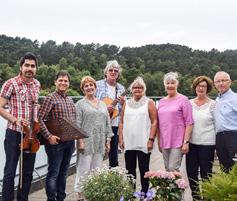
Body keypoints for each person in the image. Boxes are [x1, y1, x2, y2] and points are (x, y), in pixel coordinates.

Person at [0, 52, 40, 201]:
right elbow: (0, 107)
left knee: (28, 172)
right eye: (27, 65)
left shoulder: (37, 84)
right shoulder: (11, 83)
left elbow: (34, 107)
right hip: (14, 133)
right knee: (10, 171)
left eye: (33, 66)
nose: (30, 68)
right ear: (21, 67)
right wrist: (15, 119)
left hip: (31, 135)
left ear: (36, 68)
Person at [74, 76, 113, 201]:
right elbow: (77, 124)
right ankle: (81, 196)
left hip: (100, 141)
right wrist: (79, 141)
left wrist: (108, 140)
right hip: (86, 142)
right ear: (83, 89)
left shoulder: (102, 104)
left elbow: (107, 123)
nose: (89, 87)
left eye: (91, 85)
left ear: (95, 87)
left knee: (96, 170)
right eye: (86, 86)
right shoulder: (80, 104)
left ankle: (92, 195)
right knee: (83, 170)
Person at [38, 71, 76, 201]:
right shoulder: (50, 98)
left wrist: (75, 140)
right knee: (53, 173)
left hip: (69, 142)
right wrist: (49, 136)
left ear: (69, 84)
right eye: (60, 80)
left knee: (64, 173)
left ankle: (61, 198)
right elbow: (40, 118)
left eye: (65, 81)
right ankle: (51, 199)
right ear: (55, 82)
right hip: (55, 143)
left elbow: (73, 123)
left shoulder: (70, 100)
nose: (63, 83)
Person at [119, 77, 157, 194]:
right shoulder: (126, 103)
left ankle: (144, 193)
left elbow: (154, 121)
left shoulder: (149, 102)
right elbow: (121, 121)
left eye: (140, 87)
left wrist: (151, 139)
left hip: (144, 141)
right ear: (131, 89)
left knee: (144, 169)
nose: (137, 89)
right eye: (135, 87)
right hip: (129, 142)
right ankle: (131, 193)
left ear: (144, 89)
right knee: (130, 170)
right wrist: (121, 138)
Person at [186, 76, 216, 200]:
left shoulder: (213, 104)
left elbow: (217, 124)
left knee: (206, 174)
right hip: (192, 144)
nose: (201, 88)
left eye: (203, 86)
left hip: (207, 144)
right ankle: (196, 198)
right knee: (191, 173)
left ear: (207, 88)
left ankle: (207, 198)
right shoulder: (189, 103)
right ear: (195, 87)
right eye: (198, 85)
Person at [157, 72, 193, 172]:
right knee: (167, 169)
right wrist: (158, 141)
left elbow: (189, 122)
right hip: (164, 141)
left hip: (178, 141)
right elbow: (159, 124)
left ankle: (179, 187)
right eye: (167, 83)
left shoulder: (184, 100)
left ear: (177, 84)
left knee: (173, 168)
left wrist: (186, 142)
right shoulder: (161, 102)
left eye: (172, 83)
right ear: (165, 85)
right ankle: (172, 188)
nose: (170, 85)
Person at [95, 60, 125, 167]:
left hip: (115, 124)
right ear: (106, 72)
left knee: (113, 155)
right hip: (100, 124)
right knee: (98, 153)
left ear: (118, 74)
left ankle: (113, 175)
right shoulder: (97, 85)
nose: (113, 72)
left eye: (115, 71)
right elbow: (91, 103)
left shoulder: (121, 88)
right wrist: (104, 107)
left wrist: (122, 103)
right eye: (110, 70)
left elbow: (122, 111)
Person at [214, 71, 237, 173]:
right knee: (224, 168)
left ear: (230, 82)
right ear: (215, 84)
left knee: (234, 168)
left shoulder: (235, 98)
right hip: (220, 138)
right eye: (218, 81)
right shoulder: (217, 100)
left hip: (233, 137)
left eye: (223, 80)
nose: (221, 83)